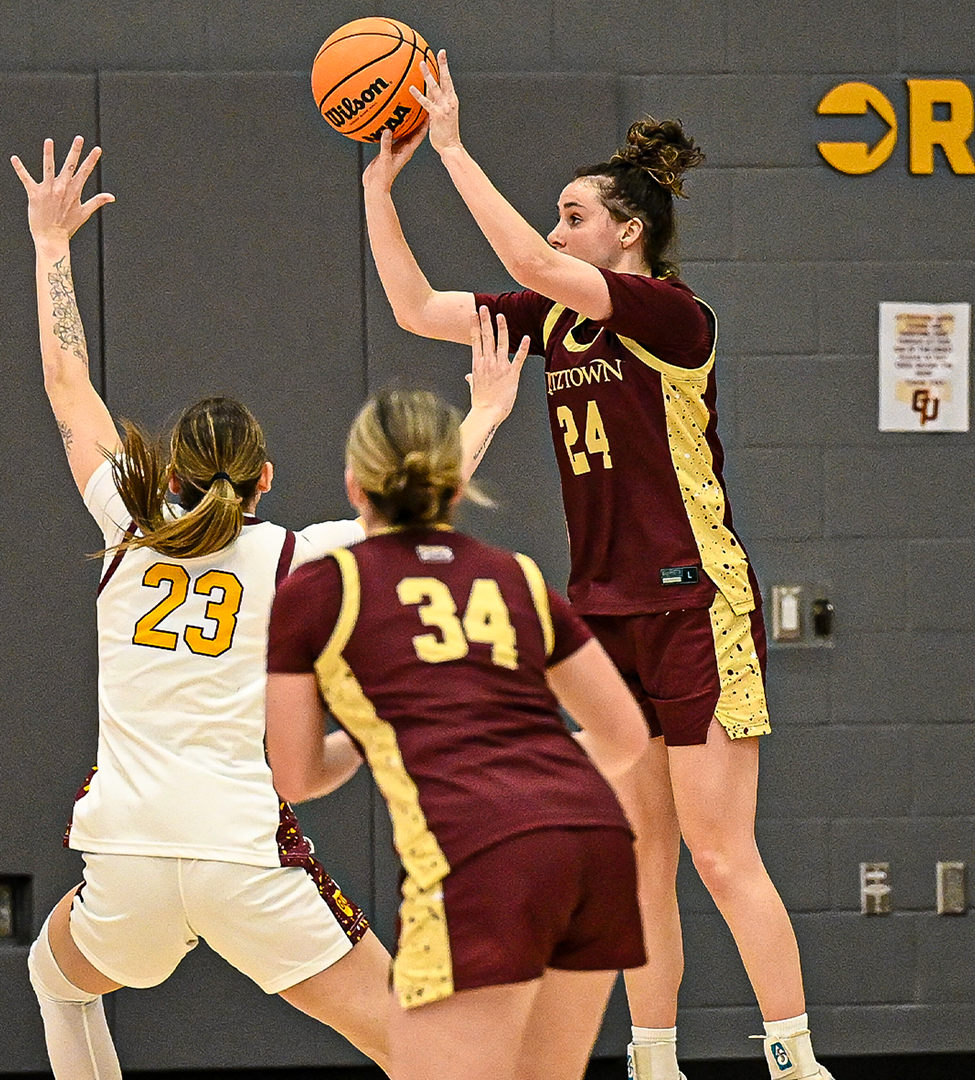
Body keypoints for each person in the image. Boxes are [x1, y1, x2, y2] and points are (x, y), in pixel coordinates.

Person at [359, 56, 833, 1080]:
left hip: (692, 598)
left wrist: (451, 145)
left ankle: (794, 1058)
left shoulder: (670, 314)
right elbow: (413, 308)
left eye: (574, 215)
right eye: (556, 216)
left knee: (719, 851)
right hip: (603, 614)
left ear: (628, 231)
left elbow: (531, 264)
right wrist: (376, 190)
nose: (558, 229)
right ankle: (651, 1060)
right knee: (634, 861)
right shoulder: (553, 319)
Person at [10, 135, 522, 1079]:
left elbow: (66, 385)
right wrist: (488, 406)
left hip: (124, 854)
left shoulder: (127, 525)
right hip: (244, 856)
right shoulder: (295, 554)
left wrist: (50, 245)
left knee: (57, 977)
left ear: (165, 472)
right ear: (267, 479)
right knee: (417, 1049)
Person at [264, 378, 652, 1080]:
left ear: (354, 485)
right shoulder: (518, 577)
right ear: (453, 486)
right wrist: (526, 769)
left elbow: (295, 777)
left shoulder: (321, 592)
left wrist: (364, 736)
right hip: (594, 841)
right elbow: (624, 737)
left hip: (477, 854)